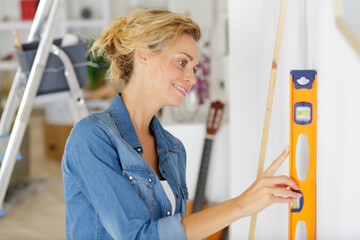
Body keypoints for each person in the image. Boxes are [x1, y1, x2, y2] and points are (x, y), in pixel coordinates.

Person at [61, 8, 301, 240]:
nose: (192, 78)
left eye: (194, 68)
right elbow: (136, 236)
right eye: (182, 62)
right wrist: (242, 205)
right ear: (143, 55)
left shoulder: (174, 149)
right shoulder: (91, 137)